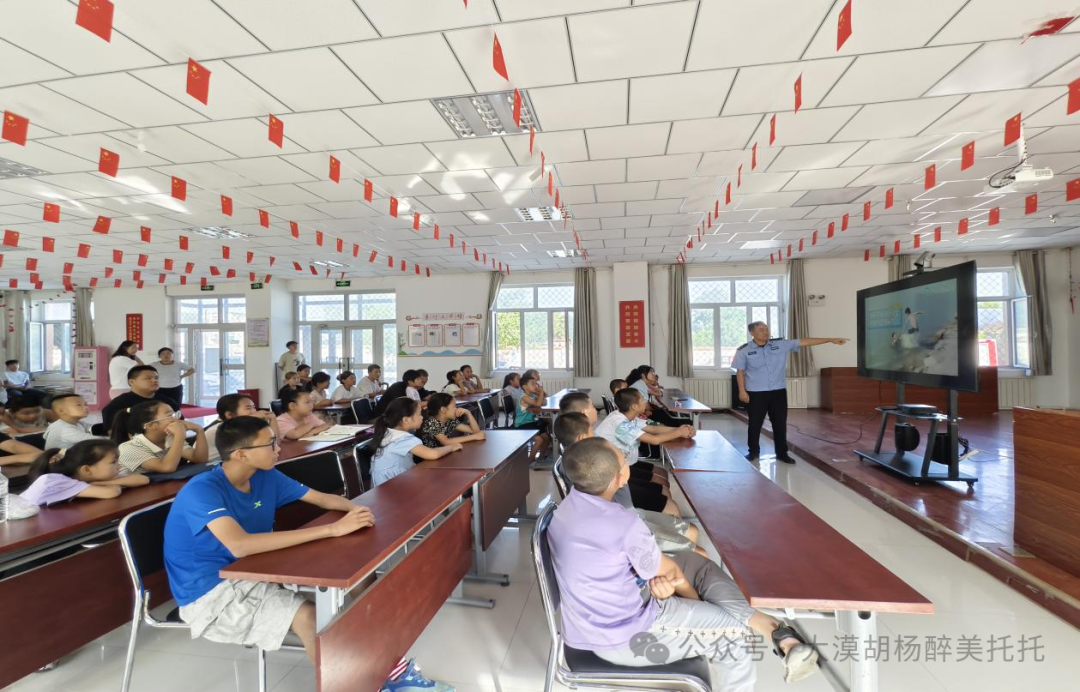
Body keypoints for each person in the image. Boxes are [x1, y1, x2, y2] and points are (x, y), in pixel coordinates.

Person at [548, 437, 820, 687]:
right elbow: (670, 574)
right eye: (622, 457)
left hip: (610, 610)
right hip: (627, 635)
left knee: (695, 562)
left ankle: (779, 633)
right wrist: (695, 601)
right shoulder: (623, 524)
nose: (626, 457)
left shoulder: (568, 507)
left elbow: (660, 568)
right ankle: (776, 634)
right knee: (733, 634)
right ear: (620, 477)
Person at [163, 416, 374, 664]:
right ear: (241, 454)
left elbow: (321, 498)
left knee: (355, 564)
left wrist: (357, 511)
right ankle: (350, 677)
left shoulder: (265, 475)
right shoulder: (201, 490)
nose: (278, 449)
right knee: (311, 619)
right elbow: (240, 545)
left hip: (257, 565)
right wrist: (332, 529)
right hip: (212, 591)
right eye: (270, 444)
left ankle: (377, 638)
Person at [553, 412, 703, 557]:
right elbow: (617, 497)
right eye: (592, 430)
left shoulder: (575, 460)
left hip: (628, 515)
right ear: (582, 437)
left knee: (691, 530)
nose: (595, 432)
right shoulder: (591, 464)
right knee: (695, 539)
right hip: (624, 523)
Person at [734, 322, 847, 464]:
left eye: (766, 329)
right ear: (752, 333)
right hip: (756, 393)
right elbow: (740, 372)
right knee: (755, 424)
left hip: (778, 393)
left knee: (780, 424)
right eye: (761, 330)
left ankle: (782, 453)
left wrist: (830, 340)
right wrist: (742, 391)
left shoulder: (780, 345)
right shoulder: (743, 350)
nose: (765, 331)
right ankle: (753, 452)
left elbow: (804, 341)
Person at [594, 390, 693, 518]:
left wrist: (682, 429)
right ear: (634, 406)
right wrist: (679, 433)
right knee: (663, 490)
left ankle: (663, 510)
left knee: (661, 473)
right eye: (642, 399)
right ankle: (667, 512)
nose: (645, 401)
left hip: (622, 465)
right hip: (611, 474)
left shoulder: (628, 417)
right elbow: (654, 440)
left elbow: (653, 429)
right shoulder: (620, 423)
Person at [558, 392, 667, 488]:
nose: (595, 409)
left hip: (614, 479)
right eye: (592, 406)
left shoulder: (582, 445)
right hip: (614, 486)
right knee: (661, 486)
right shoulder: (588, 448)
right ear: (584, 412)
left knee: (660, 478)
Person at [21, 439, 149, 505]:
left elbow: (143, 479)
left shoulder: (91, 476)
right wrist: (101, 483)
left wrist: (100, 482)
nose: (119, 466)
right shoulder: (54, 480)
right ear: (86, 469)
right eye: (113, 462)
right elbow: (112, 491)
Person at [369, 398, 461, 486]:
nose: (422, 417)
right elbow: (433, 454)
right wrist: (451, 447)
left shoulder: (389, 432)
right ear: (406, 420)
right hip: (392, 485)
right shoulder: (402, 438)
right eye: (419, 414)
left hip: (386, 482)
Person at [112, 400, 209, 475]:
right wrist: (180, 435)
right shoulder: (129, 448)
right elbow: (167, 468)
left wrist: (199, 430)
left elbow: (200, 459)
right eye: (170, 415)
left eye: (175, 414)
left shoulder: (170, 438)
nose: (176, 419)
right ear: (151, 425)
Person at [101, 365, 180, 435]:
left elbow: (179, 423)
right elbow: (113, 433)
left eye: (156, 378)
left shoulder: (168, 401)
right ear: (131, 382)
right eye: (148, 378)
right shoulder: (118, 404)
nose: (154, 380)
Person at [205, 394, 281, 463]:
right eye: (248, 408)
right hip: (212, 466)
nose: (254, 411)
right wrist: (251, 418)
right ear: (229, 415)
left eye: (254, 407)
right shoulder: (218, 430)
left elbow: (274, 444)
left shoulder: (247, 426)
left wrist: (273, 419)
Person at [420, 393, 485, 449]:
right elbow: (446, 442)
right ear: (443, 409)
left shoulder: (449, 421)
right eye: (454, 407)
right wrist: (474, 437)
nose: (456, 409)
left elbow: (475, 431)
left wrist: (468, 413)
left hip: (445, 453)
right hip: (430, 457)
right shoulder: (431, 422)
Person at [514, 374, 551, 463]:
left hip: (530, 423)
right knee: (539, 440)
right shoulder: (524, 397)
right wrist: (540, 393)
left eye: (536, 384)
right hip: (522, 424)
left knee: (547, 437)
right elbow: (538, 404)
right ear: (525, 387)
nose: (535, 386)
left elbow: (544, 401)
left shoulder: (532, 395)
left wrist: (540, 393)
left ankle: (540, 458)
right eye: (533, 384)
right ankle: (530, 461)